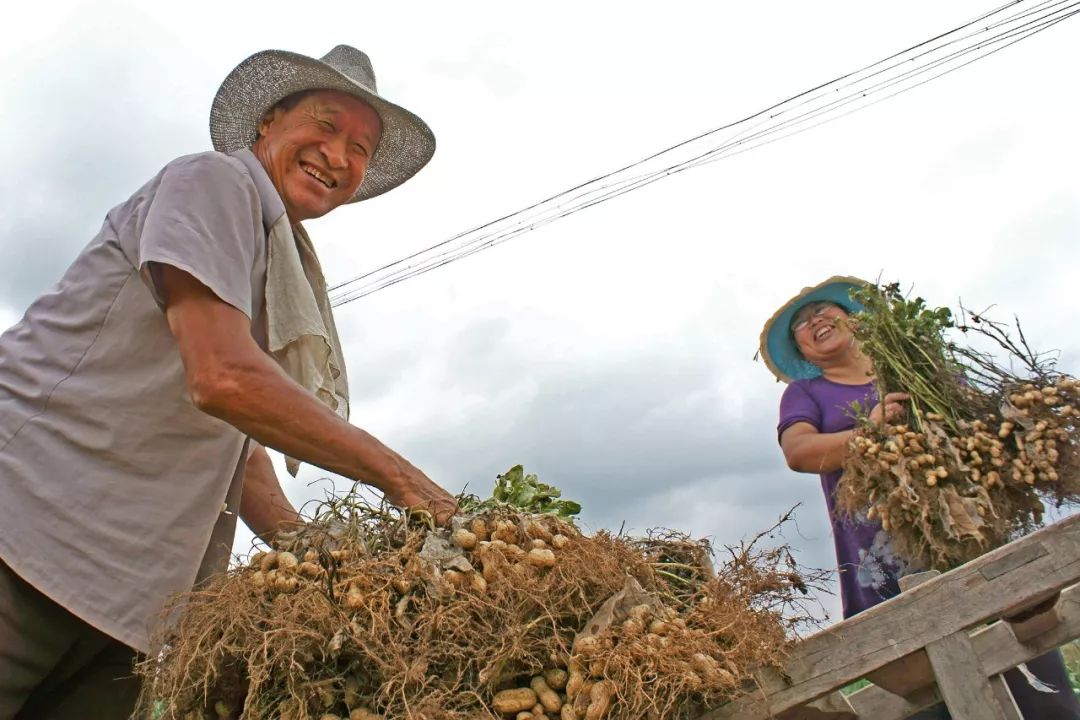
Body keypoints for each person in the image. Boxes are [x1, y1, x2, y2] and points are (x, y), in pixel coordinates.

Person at [0, 45, 457, 718]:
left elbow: (231, 444)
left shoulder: (277, 252)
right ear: (267, 124)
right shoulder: (213, 184)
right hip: (31, 534)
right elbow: (223, 380)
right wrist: (409, 486)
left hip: (126, 606)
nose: (338, 156)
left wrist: (312, 552)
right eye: (325, 126)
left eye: (359, 148)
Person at [759, 275, 1080, 718]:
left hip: (968, 531)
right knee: (931, 685)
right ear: (800, 351)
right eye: (803, 324)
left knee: (1034, 667)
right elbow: (798, 452)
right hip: (886, 552)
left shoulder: (911, 363)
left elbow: (971, 417)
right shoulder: (807, 393)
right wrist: (869, 432)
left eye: (823, 311)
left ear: (852, 320)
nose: (816, 321)